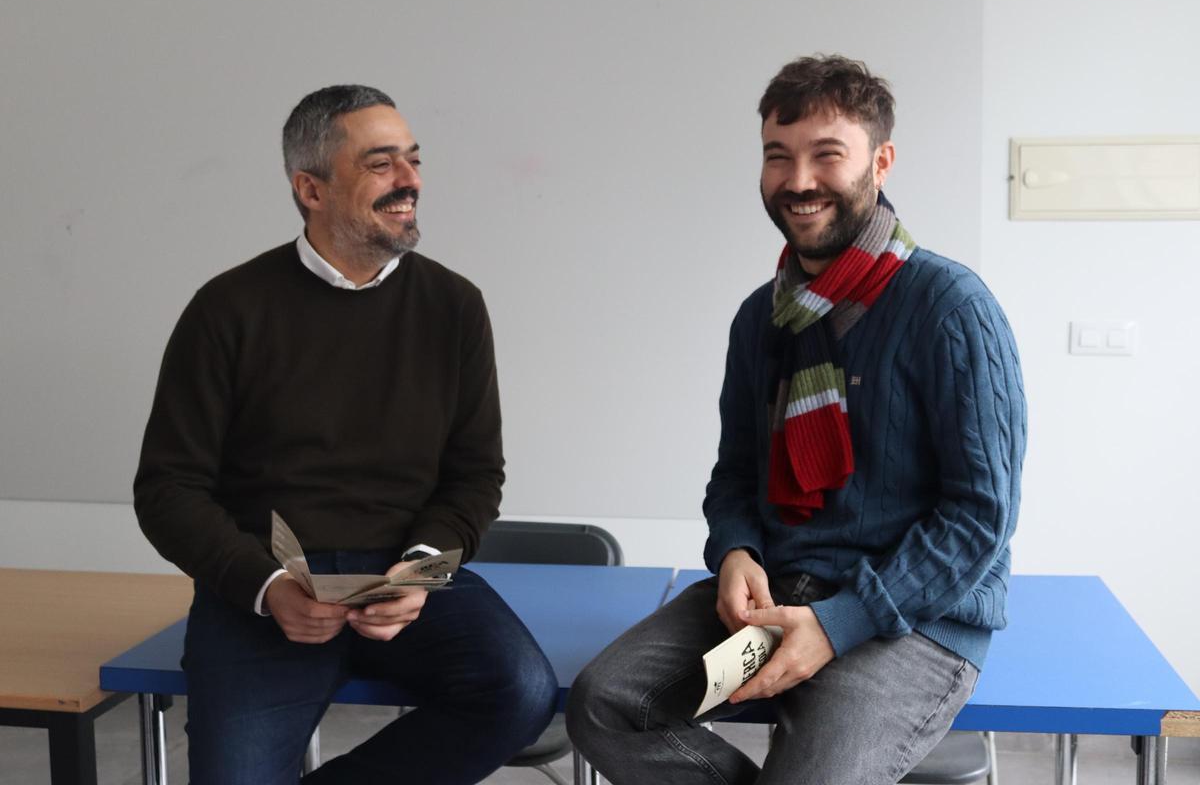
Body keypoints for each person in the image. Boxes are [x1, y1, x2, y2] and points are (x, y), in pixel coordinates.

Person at [566, 54, 1026, 784]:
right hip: (780, 587)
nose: (799, 180)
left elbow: (978, 519)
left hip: (911, 620)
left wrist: (837, 626)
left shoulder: (952, 308)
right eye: (778, 157)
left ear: (882, 161)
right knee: (605, 704)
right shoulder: (762, 317)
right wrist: (739, 551)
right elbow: (736, 475)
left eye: (826, 155)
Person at [134, 84, 557, 785]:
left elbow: (475, 478)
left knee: (521, 691)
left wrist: (422, 574)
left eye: (413, 161)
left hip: (405, 576)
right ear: (311, 188)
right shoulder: (227, 310)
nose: (411, 182)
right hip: (263, 591)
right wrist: (266, 586)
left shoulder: (453, 307)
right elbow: (168, 489)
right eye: (382, 164)